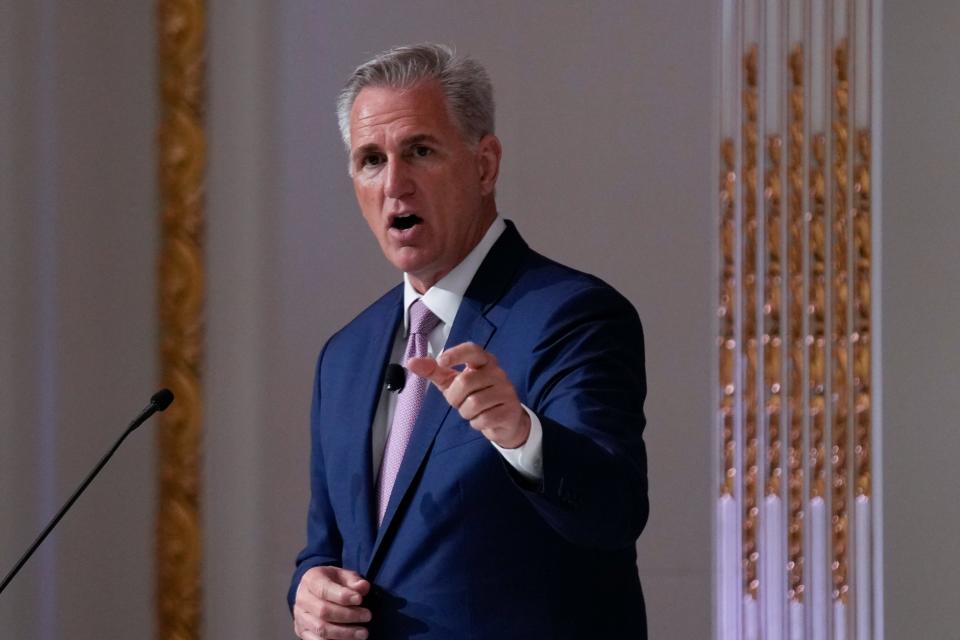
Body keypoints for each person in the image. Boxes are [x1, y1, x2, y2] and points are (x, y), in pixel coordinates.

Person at [289, 43, 649, 640]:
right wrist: (310, 592)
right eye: (370, 160)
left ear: (484, 165)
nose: (394, 184)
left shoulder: (573, 316)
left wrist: (521, 435)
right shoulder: (345, 356)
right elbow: (330, 544)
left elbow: (614, 511)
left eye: (420, 151)